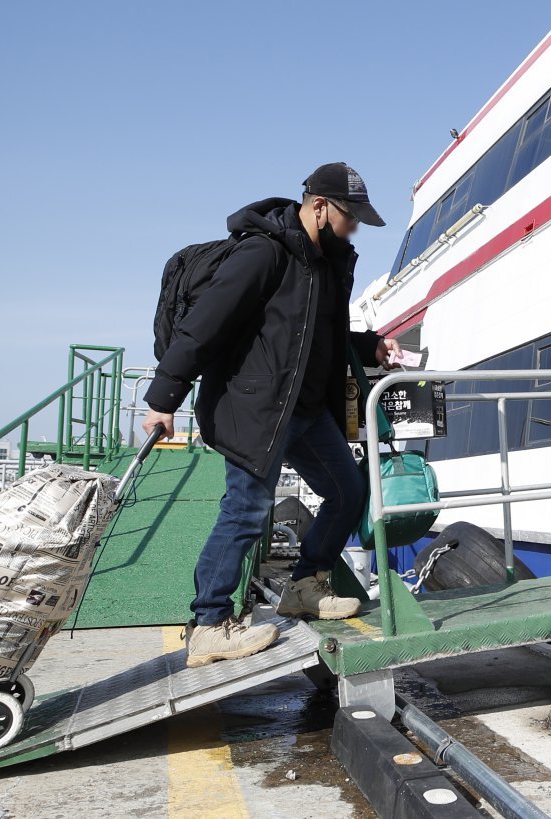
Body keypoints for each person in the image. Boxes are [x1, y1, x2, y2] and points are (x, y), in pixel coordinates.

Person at [142, 163, 400, 667]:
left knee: (348, 491)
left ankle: (305, 584)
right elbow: (204, 326)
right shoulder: (264, 253)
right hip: (254, 408)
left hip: (303, 410)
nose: (354, 228)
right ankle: (210, 624)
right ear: (319, 206)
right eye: (350, 217)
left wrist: (372, 348)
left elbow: (321, 336)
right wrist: (162, 399)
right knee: (245, 512)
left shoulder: (326, 265)